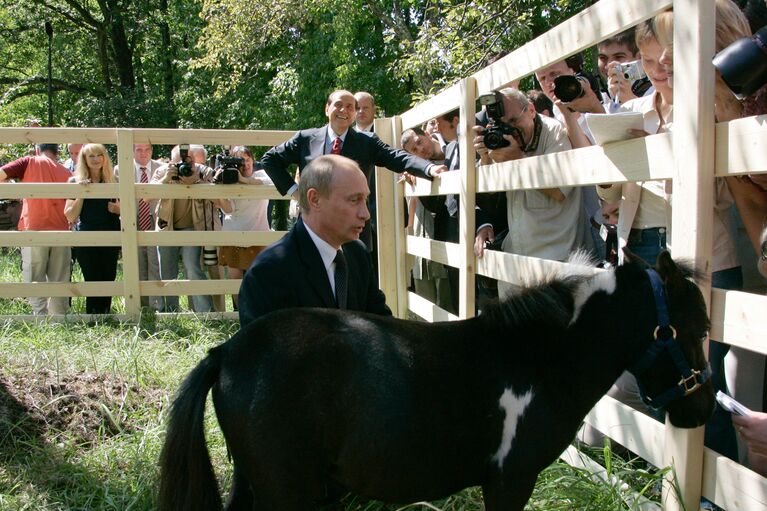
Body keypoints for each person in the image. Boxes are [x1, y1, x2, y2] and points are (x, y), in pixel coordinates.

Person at [259, 89, 446, 252]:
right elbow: (270, 160)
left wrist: (429, 168)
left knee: (353, 290)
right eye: (338, 105)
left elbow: (397, 157)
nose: (344, 110)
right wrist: (295, 193)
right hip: (313, 230)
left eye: (350, 107)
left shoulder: (367, 142)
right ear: (327, 109)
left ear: (355, 113)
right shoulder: (305, 139)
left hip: (353, 236)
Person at [238, 154, 392, 327]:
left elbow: (384, 327)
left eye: (366, 199)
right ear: (315, 199)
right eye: (354, 200)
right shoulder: (268, 273)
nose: (365, 214)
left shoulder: (358, 254)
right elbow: (260, 351)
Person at [472, 88, 588, 297]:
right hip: (516, 257)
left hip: (558, 261)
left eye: (514, 121)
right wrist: (486, 158)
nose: (510, 130)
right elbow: (489, 196)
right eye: (503, 125)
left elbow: (559, 191)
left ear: (531, 110)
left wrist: (517, 159)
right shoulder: (502, 142)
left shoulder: (554, 132)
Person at [597, 20, 673, 266]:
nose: (658, 70)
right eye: (648, 61)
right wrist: (606, 170)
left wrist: (657, 153)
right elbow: (610, 193)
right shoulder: (630, 109)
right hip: (634, 241)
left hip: (695, 239)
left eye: (665, 59)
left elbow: (721, 194)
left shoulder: (706, 108)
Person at [152, 145, 232, 313]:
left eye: (188, 160)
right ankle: (170, 311)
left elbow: (221, 202)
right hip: (167, 228)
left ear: (194, 159)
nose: (184, 165)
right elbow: (146, 196)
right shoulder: (162, 172)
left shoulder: (204, 172)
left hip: (193, 228)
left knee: (193, 267)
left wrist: (197, 182)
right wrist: (166, 179)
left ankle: (204, 312)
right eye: (179, 162)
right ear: (172, 161)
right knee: (167, 271)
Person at [0, 143, 72, 315]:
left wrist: (14, 189)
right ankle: (59, 320)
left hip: (33, 227)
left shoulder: (29, 161)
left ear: (38, 150)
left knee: (34, 276)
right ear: (57, 153)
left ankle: (39, 319)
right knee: (59, 278)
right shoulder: (66, 172)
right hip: (61, 229)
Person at [64, 144, 121, 314]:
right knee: (92, 277)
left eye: (99, 155)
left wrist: (118, 209)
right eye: (91, 156)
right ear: (84, 159)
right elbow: (69, 216)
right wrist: (82, 193)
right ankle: (92, 318)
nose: (96, 159)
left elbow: (127, 211)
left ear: (105, 158)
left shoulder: (114, 181)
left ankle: (105, 316)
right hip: (86, 237)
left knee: (108, 277)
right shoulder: (74, 182)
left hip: (111, 235)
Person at [219, 146, 272, 309]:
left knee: (258, 278)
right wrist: (219, 189)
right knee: (235, 279)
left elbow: (267, 186)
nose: (245, 164)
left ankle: (257, 313)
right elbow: (228, 208)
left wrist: (243, 181)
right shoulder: (229, 180)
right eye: (240, 160)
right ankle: (238, 312)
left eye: (247, 159)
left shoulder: (262, 174)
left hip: (259, 235)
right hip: (234, 234)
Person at [115, 143, 164, 311]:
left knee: (155, 262)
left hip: (155, 218)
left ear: (152, 151)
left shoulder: (161, 168)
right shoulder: (120, 169)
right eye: (139, 149)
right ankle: (141, 304)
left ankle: (156, 304)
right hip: (131, 220)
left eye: (147, 149)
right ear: (132, 151)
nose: (144, 153)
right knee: (136, 262)